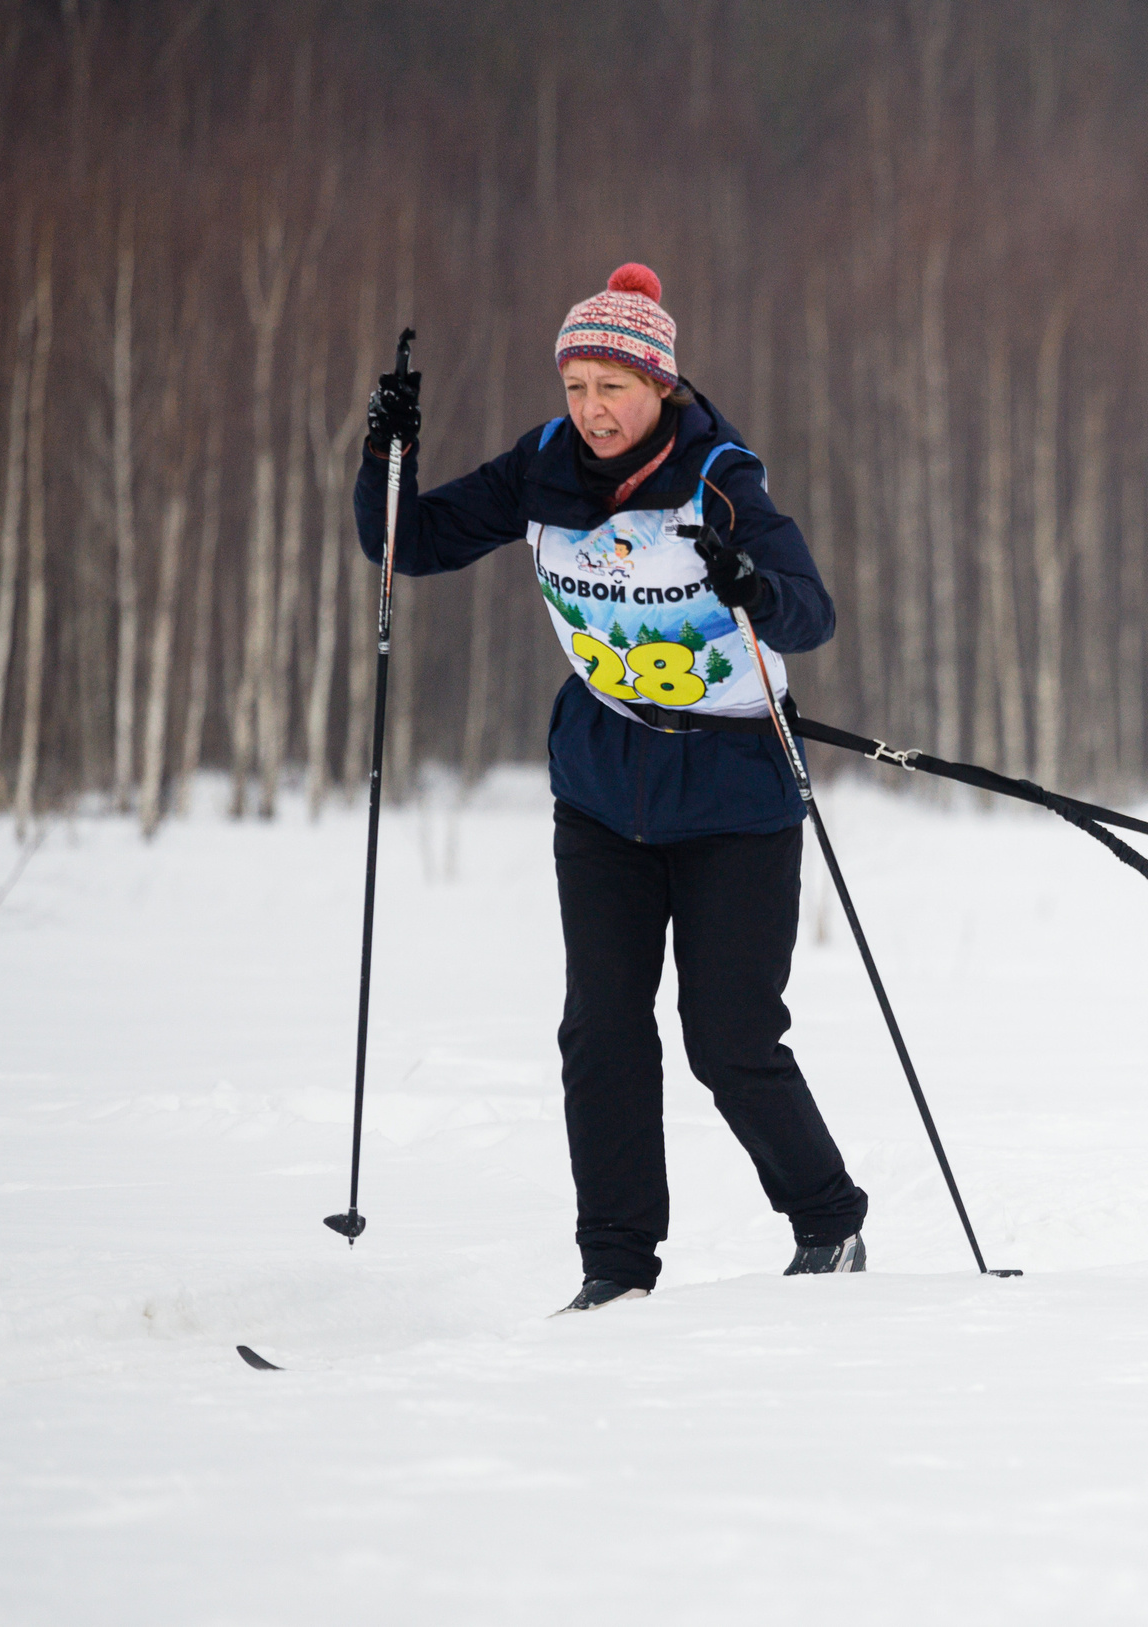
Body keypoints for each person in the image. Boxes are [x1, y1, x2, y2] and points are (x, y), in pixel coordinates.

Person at [358, 262, 868, 1313]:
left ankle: (829, 1225)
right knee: (601, 1031)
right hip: (602, 784)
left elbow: (810, 617)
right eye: (577, 387)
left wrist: (750, 586)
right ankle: (616, 1270)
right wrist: (387, 453)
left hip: (732, 789)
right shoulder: (541, 467)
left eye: (614, 389)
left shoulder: (721, 477)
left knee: (727, 1040)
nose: (592, 412)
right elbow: (401, 544)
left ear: (661, 388)